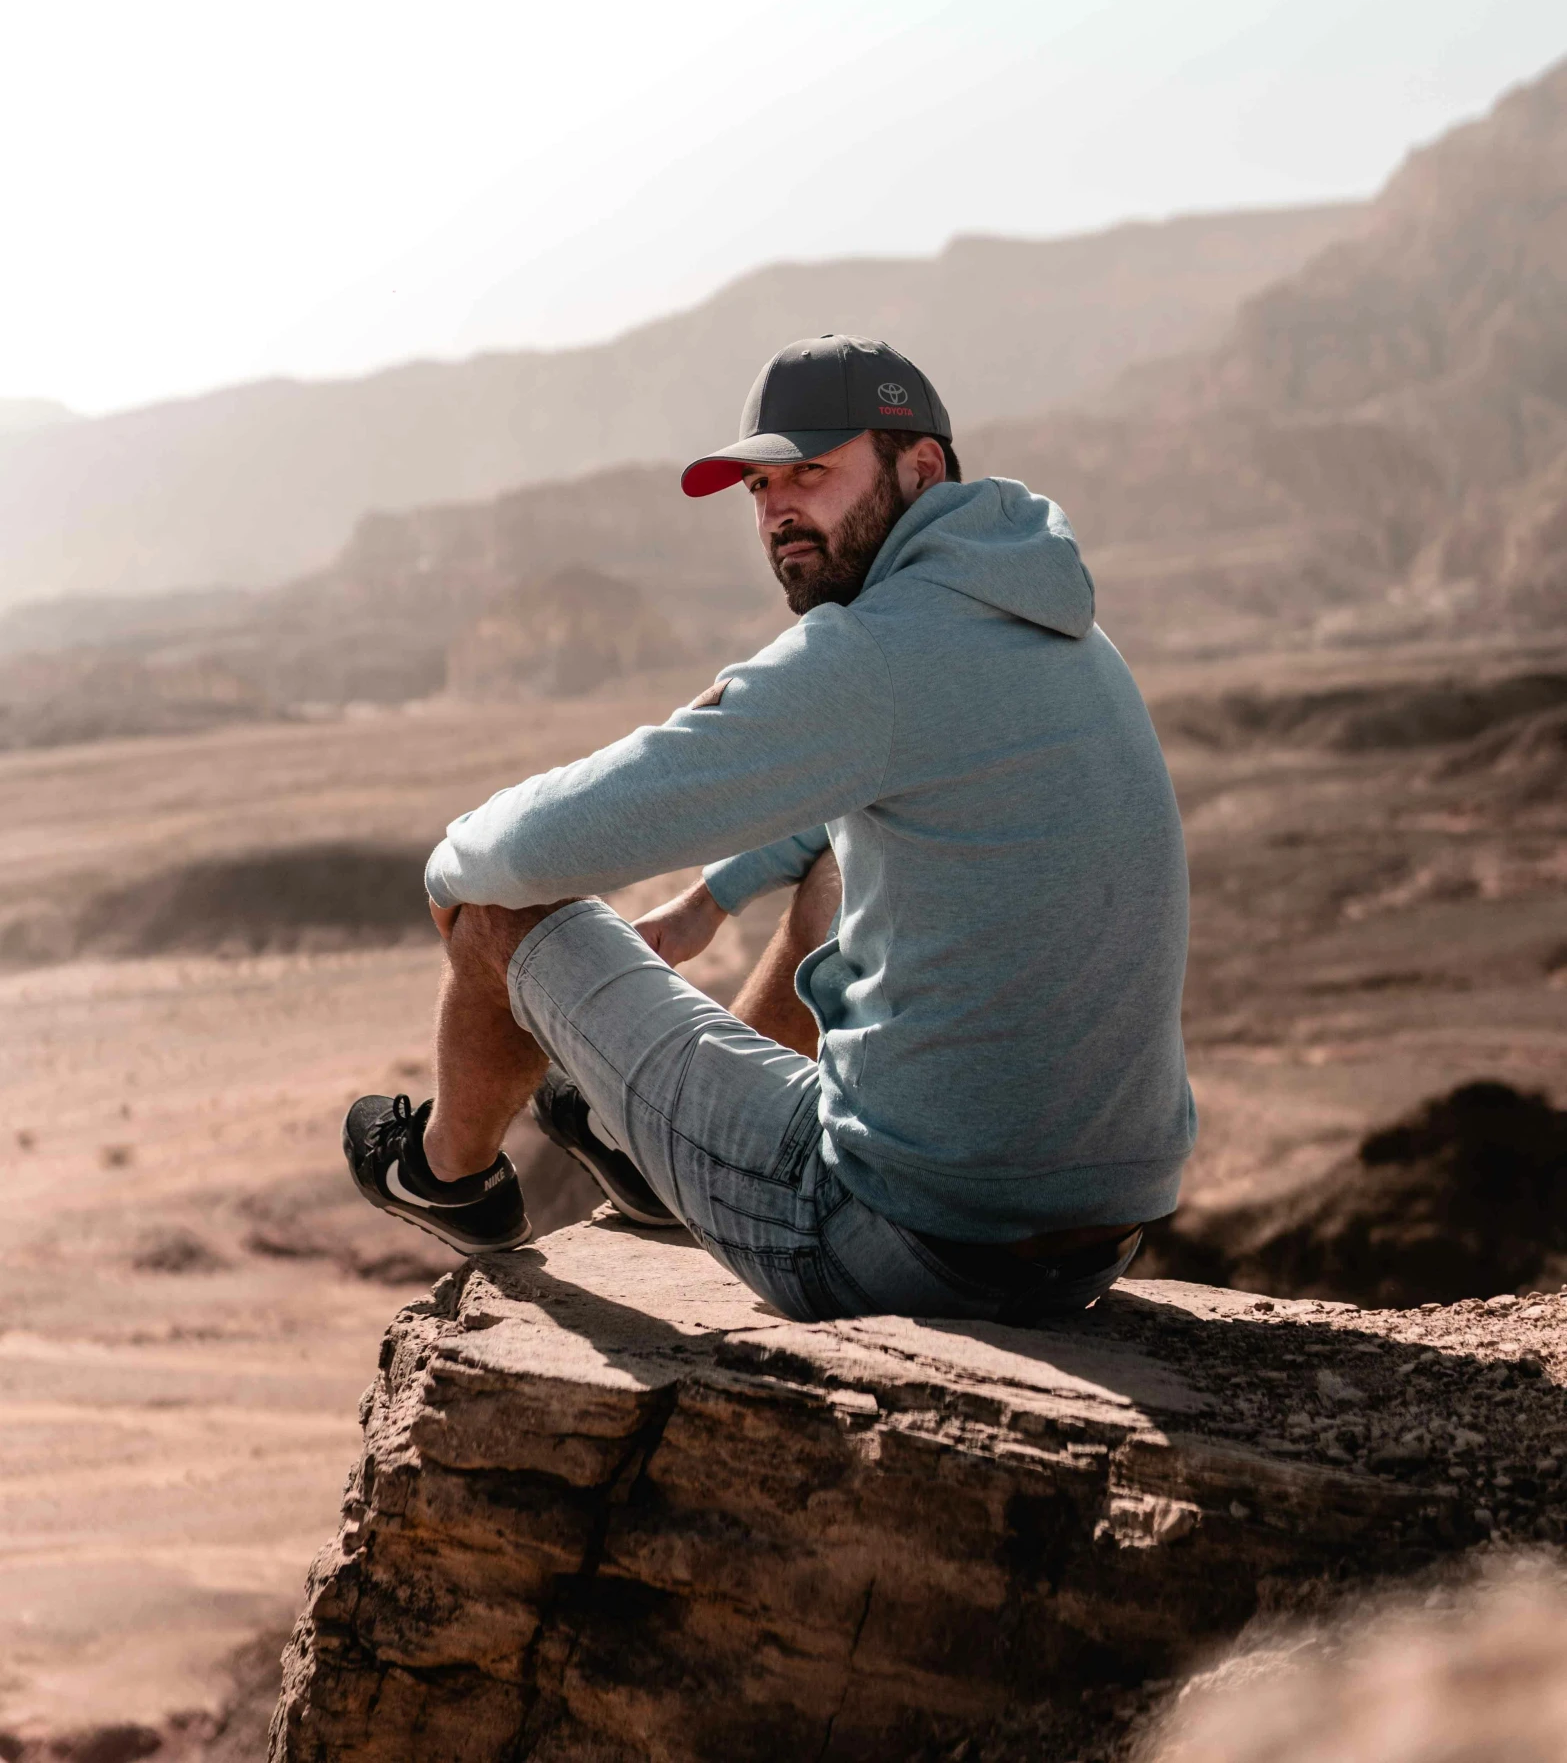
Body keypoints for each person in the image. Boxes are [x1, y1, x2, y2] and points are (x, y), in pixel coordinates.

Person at [343, 332, 1194, 1324]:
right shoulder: (1054, 623)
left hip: (896, 1240)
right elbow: (864, 788)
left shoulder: (871, 653)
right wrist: (713, 898)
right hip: (1091, 1238)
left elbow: (558, 837)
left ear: (920, 467)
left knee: (498, 907)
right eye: (758, 488)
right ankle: (652, 1155)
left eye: (811, 473)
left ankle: (448, 1176)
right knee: (838, 862)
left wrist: (450, 867)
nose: (777, 507)